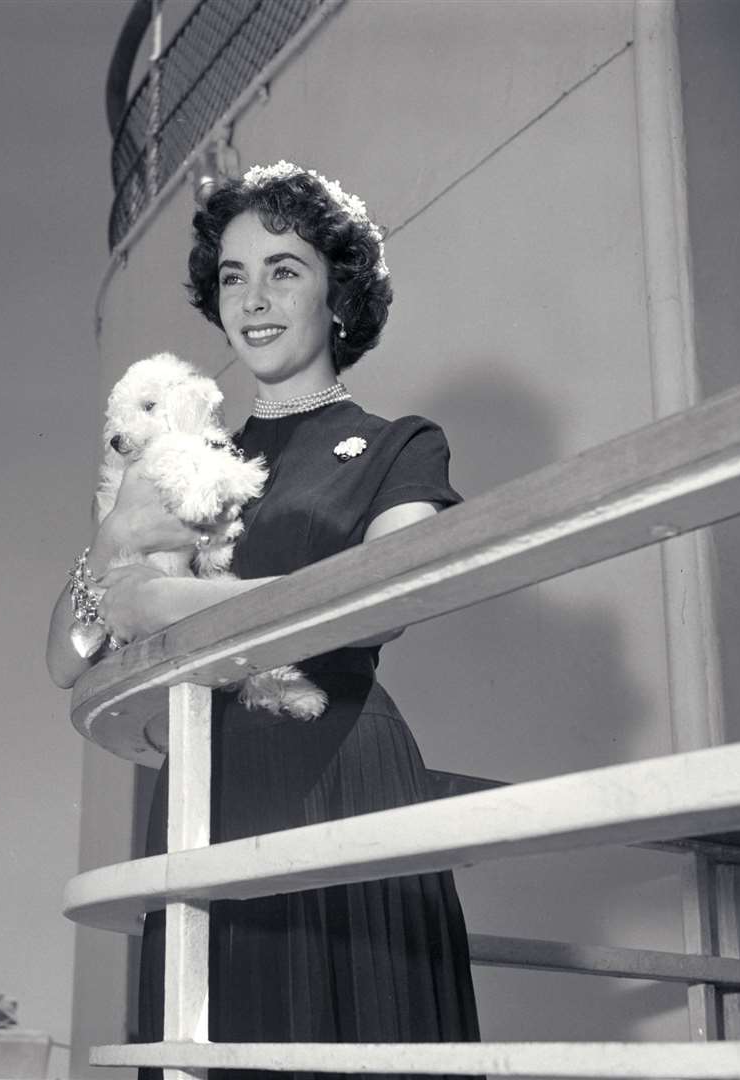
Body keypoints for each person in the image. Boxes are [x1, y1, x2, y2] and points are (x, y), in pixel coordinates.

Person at [46, 161, 479, 1077]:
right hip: (205, 787)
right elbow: (64, 655)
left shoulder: (401, 443)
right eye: (234, 276)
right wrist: (118, 532)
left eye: (284, 269)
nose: (255, 298)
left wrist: (166, 603)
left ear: (340, 295)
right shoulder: (189, 461)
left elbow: (382, 601)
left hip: (338, 772)